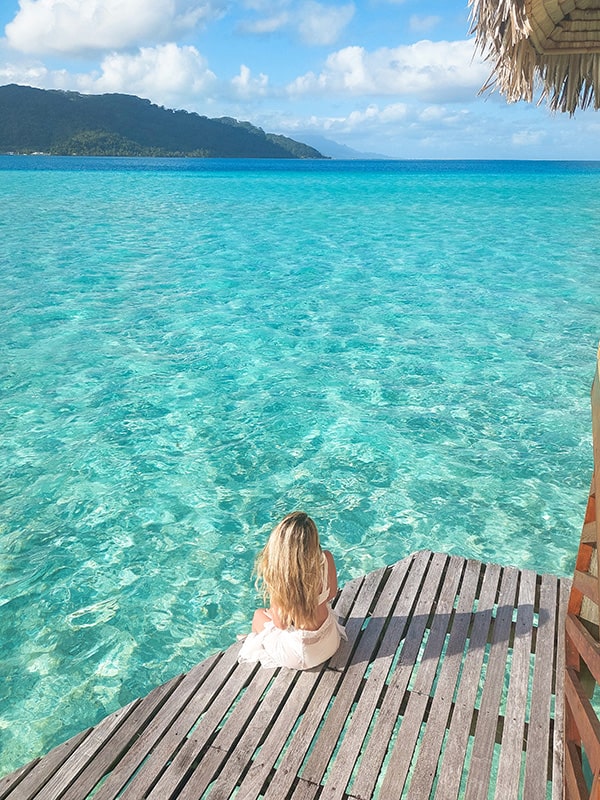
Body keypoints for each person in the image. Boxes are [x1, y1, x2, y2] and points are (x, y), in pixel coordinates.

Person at [238, 511, 347, 670]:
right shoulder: (325, 558)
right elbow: (331, 594)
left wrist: (290, 611)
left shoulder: (281, 578)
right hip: (330, 642)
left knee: (259, 615)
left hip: (299, 656)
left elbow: (281, 624)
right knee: (271, 616)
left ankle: (253, 639)